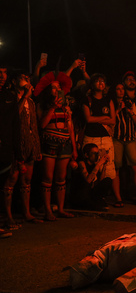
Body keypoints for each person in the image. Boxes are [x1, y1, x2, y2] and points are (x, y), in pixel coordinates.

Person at [3, 71, 42, 229]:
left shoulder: (31, 103)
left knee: (26, 181)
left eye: (28, 78)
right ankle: (8, 216)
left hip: (30, 145)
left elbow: (34, 126)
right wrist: (25, 96)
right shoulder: (11, 99)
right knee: (11, 180)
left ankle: (26, 213)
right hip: (15, 145)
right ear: (14, 81)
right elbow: (13, 117)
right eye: (23, 78)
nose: (27, 80)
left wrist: (36, 147)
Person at [36, 74, 77, 221]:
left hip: (65, 144)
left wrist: (74, 148)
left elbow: (70, 128)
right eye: (54, 87)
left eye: (58, 87)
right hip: (49, 143)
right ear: (48, 90)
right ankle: (48, 210)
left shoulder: (66, 107)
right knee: (48, 177)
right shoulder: (42, 105)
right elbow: (42, 125)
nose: (57, 89)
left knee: (61, 177)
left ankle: (60, 208)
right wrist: (53, 107)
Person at [112, 83, 136, 207]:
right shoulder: (111, 102)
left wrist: (130, 111)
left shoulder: (130, 103)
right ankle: (118, 199)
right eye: (118, 89)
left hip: (130, 138)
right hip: (116, 138)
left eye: (122, 89)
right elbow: (111, 120)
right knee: (116, 169)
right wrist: (118, 109)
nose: (120, 91)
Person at [81, 73, 118, 205]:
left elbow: (113, 120)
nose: (100, 83)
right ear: (92, 84)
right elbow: (88, 119)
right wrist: (103, 119)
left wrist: (98, 119)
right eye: (97, 81)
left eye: (102, 81)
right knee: (92, 168)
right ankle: (88, 197)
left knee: (107, 169)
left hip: (106, 138)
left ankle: (100, 196)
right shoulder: (87, 100)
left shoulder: (108, 100)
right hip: (91, 138)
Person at [0, 64, 17, 237]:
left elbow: (15, 125)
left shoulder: (9, 96)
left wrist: (17, 151)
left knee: (2, 185)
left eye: (5, 72)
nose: (2, 76)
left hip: (5, 149)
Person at [70, 143, 112, 211]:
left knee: (108, 180)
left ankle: (97, 201)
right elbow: (88, 180)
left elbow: (100, 181)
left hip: (90, 194)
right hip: (81, 194)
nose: (97, 155)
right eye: (94, 153)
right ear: (86, 155)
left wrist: (104, 165)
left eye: (97, 153)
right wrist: (99, 164)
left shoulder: (95, 165)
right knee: (95, 207)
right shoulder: (82, 163)